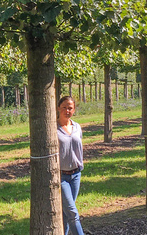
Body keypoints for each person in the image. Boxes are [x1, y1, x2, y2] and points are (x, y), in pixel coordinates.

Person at [57, 95, 85, 235]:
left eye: (70, 108)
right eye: (64, 107)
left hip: (76, 174)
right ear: (58, 108)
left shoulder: (77, 127)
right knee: (73, 213)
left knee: (66, 212)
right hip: (61, 176)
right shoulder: (54, 129)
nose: (67, 111)